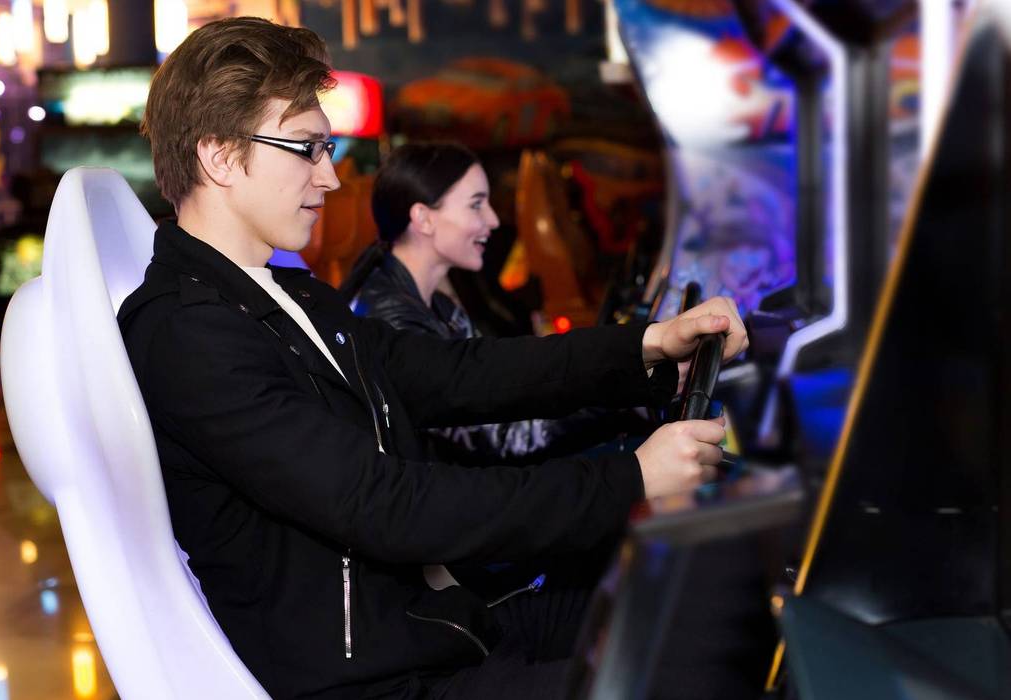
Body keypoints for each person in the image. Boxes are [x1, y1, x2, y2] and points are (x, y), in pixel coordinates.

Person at [118, 17, 748, 700]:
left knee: (713, 606)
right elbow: (385, 505)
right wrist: (630, 478)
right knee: (690, 668)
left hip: (431, 629)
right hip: (377, 682)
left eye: (327, 148)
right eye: (306, 148)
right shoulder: (185, 332)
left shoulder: (291, 294)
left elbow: (458, 374)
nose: (330, 178)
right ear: (218, 156)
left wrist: (646, 347)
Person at [342, 142, 647, 467]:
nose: (493, 220)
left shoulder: (436, 304)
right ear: (424, 218)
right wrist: (622, 399)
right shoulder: (391, 320)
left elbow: (496, 391)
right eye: (476, 205)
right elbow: (500, 439)